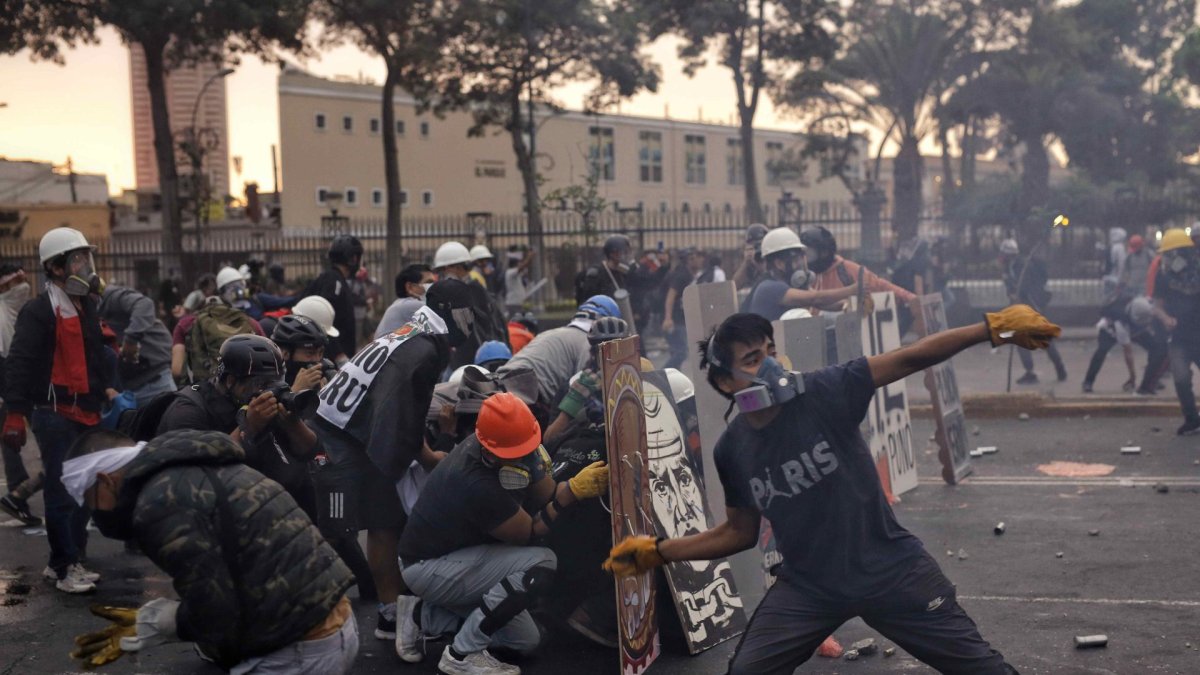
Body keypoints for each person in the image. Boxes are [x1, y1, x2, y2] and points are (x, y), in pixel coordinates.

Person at [605, 305, 1062, 674]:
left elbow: (912, 356)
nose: (770, 366)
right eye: (751, 360)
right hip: (811, 586)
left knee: (981, 669)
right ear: (726, 383)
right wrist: (660, 551)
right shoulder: (732, 449)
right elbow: (738, 533)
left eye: (769, 351)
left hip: (891, 570)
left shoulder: (826, 391)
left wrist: (991, 328)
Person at [62, 429, 357, 672]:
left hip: (298, 648)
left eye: (91, 502)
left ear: (105, 480)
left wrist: (161, 622)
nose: (95, 514)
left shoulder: (158, 503)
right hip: (332, 620)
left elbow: (216, 611)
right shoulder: (187, 467)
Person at [397, 392, 610, 673]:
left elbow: (546, 494)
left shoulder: (506, 447)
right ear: (492, 449)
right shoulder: (475, 483)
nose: (525, 455)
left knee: (526, 641)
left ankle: (419, 615)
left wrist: (571, 486)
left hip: (459, 555)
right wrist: (569, 494)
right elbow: (530, 534)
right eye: (517, 450)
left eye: (527, 446)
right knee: (540, 563)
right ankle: (461, 655)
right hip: (427, 566)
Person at [309, 281, 467, 644]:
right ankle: (298, 611)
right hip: (341, 436)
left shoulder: (416, 329)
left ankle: (389, 613)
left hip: (355, 431)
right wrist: (426, 456)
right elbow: (401, 410)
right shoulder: (426, 346)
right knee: (335, 531)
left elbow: (401, 406)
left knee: (385, 521)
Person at [3, 227, 119, 593]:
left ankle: (72, 560)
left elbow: (93, 357)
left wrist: (109, 388)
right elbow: (20, 362)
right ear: (55, 267)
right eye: (77, 258)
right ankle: (63, 565)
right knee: (60, 491)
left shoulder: (87, 307)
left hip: (86, 410)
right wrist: (15, 412)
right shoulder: (38, 312)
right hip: (53, 413)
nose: (85, 265)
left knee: (85, 488)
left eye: (86, 257)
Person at [157, 334, 319, 519]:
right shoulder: (188, 411)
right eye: (260, 383)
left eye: (277, 381)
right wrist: (248, 427)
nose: (268, 390)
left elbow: (311, 450)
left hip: (276, 513)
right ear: (231, 381)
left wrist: (292, 423)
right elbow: (193, 479)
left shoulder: (263, 402)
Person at [496, 295, 619, 421]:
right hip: (529, 397)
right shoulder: (588, 344)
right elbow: (586, 392)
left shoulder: (552, 332)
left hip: (498, 385)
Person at [0, 263, 42, 526]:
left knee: (12, 443)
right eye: (17, 283)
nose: (23, 287)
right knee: (14, 440)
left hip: (20, 385)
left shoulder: (17, 312)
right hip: (11, 389)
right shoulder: (2, 313)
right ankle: (18, 495)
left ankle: (18, 496)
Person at [171, 268, 264, 384]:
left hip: (202, 393)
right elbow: (268, 360)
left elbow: (177, 370)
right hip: (245, 391)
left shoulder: (186, 324)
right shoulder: (251, 322)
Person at [743, 228, 859, 322]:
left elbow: (821, 303)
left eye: (801, 258)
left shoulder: (790, 284)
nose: (801, 264)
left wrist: (847, 305)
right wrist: (852, 290)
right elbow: (815, 298)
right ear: (779, 263)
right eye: (795, 260)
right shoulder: (769, 287)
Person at [1150, 228, 1200, 435]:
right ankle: (1192, 419)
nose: (1173, 257)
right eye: (1169, 253)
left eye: (1178, 252)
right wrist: (1165, 318)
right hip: (1178, 337)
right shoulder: (1164, 277)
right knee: (1180, 379)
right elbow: (1157, 305)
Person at [999, 238, 1068, 384]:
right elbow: (1010, 286)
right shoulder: (1008, 266)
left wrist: (1018, 294)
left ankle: (1059, 367)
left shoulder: (1023, 266)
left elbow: (1028, 286)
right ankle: (1030, 372)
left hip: (1032, 307)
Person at [801, 226, 916, 311]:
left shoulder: (846, 269)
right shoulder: (802, 275)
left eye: (809, 254)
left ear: (824, 253)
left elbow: (879, 285)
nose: (805, 259)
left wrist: (911, 299)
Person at [435, 242, 510, 370]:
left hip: (474, 361)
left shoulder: (470, 291)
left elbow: (476, 332)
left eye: (444, 270)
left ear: (456, 267)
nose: (443, 275)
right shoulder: (470, 289)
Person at [98, 285, 175, 406]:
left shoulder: (110, 297)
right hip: (122, 391)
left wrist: (131, 340)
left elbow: (144, 304)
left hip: (154, 381)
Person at [1081, 296, 1164, 395]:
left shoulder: (1146, 305)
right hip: (1109, 330)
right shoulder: (1120, 322)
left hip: (1135, 328)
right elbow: (1128, 353)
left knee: (1155, 348)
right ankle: (1088, 382)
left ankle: (1151, 379)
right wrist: (1133, 377)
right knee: (1101, 351)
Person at [303, 235, 363, 361]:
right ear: (352, 258)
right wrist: (338, 354)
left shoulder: (331, 278)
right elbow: (322, 319)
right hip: (332, 356)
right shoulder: (334, 281)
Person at [662, 248, 718, 369]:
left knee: (676, 352)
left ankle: (673, 381)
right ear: (689, 260)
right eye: (696, 257)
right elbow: (670, 297)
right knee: (681, 352)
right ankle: (662, 375)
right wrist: (668, 318)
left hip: (679, 318)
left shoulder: (688, 273)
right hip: (675, 320)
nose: (700, 260)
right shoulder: (681, 275)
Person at [377, 264, 435, 337]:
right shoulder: (411, 305)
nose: (434, 286)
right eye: (429, 282)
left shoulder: (400, 304)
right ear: (409, 287)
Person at [732, 224, 769, 291]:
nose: (759, 249)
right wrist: (746, 262)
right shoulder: (748, 264)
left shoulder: (773, 258)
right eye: (755, 246)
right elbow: (734, 287)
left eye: (760, 245)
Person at [504, 247, 536, 315]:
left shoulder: (515, 273)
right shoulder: (510, 272)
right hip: (513, 303)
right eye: (519, 262)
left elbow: (525, 267)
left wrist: (529, 259)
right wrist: (529, 257)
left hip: (517, 303)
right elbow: (522, 267)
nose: (520, 264)